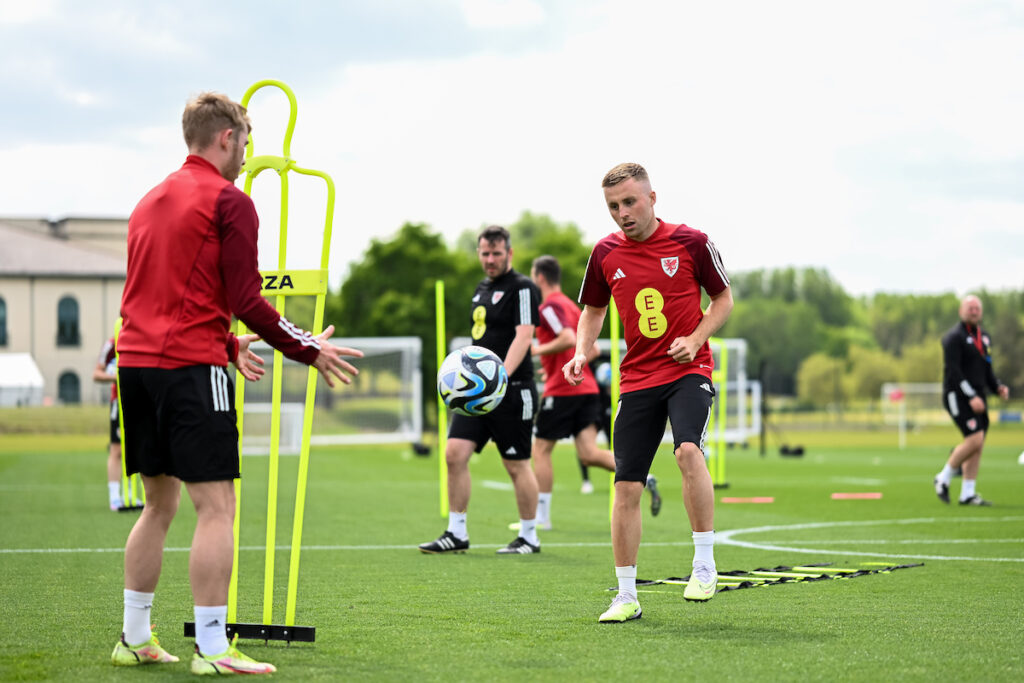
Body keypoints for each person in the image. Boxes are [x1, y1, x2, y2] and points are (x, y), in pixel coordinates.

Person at [110, 92, 363, 674]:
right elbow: (248, 299)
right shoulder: (230, 200)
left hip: (138, 367)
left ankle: (134, 637)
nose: (248, 156)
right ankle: (213, 647)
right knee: (217, 506)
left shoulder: (148, 201)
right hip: (189, 370)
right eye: (246, 142)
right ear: (226, 137)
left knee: (157, 505)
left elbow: (158, 298)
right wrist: (309, 350)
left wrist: (226, 342)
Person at [563, 163, 733, 623]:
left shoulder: (691, 242)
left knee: (686, 453)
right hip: (637, 379)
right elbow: (593, 310)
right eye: (614, 206)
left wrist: (696, 340)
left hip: (687, 371)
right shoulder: (603, 253)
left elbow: (723, 300)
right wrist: (582, 351)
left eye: (630, 202)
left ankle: (704, 564)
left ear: (653, 198)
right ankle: (626, 595)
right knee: (625, 483)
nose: (622, 213)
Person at [419, 225, 543, 555]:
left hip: (513, 390)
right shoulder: (481, 288)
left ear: (510, 253)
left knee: (516, 464)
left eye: (497, 253)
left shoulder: (523, 288)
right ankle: (456, 532)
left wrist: (500, 375)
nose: (490, 259)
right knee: (453, 453)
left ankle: (529, 536)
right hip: (475, 395)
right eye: (485, 253)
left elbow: (524, 335)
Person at [529, 254, 661, 530]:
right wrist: (557, 365)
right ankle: (644, 476)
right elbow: (595, 349)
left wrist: (536, 350)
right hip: (586, 390)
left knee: (540, 449)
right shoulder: (573, 307)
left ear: (539, 277)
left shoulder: (549, 308)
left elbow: (566, 338)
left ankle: (541, 518)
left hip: (564, 392)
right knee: (589, 453)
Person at [933, 294, 1010, 506]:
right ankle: (943, 477)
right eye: (970, 308)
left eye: (977, 308)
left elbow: (987, 369)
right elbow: (954, 372)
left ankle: (968, 493)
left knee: (978, 443)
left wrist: (997, 387)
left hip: (978, 396)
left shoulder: (984, 338)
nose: (974, 311)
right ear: (961, 311)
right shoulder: (953, 338)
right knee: (974, 437)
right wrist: (971, 395)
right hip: (957, 395)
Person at [94, 337, 124, 511]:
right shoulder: (113, 343)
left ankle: (139, 494)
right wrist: (116, 377)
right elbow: (97, 373)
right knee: (117, 449)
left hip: (146, 401)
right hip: (119, 401)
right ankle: (115, 496)